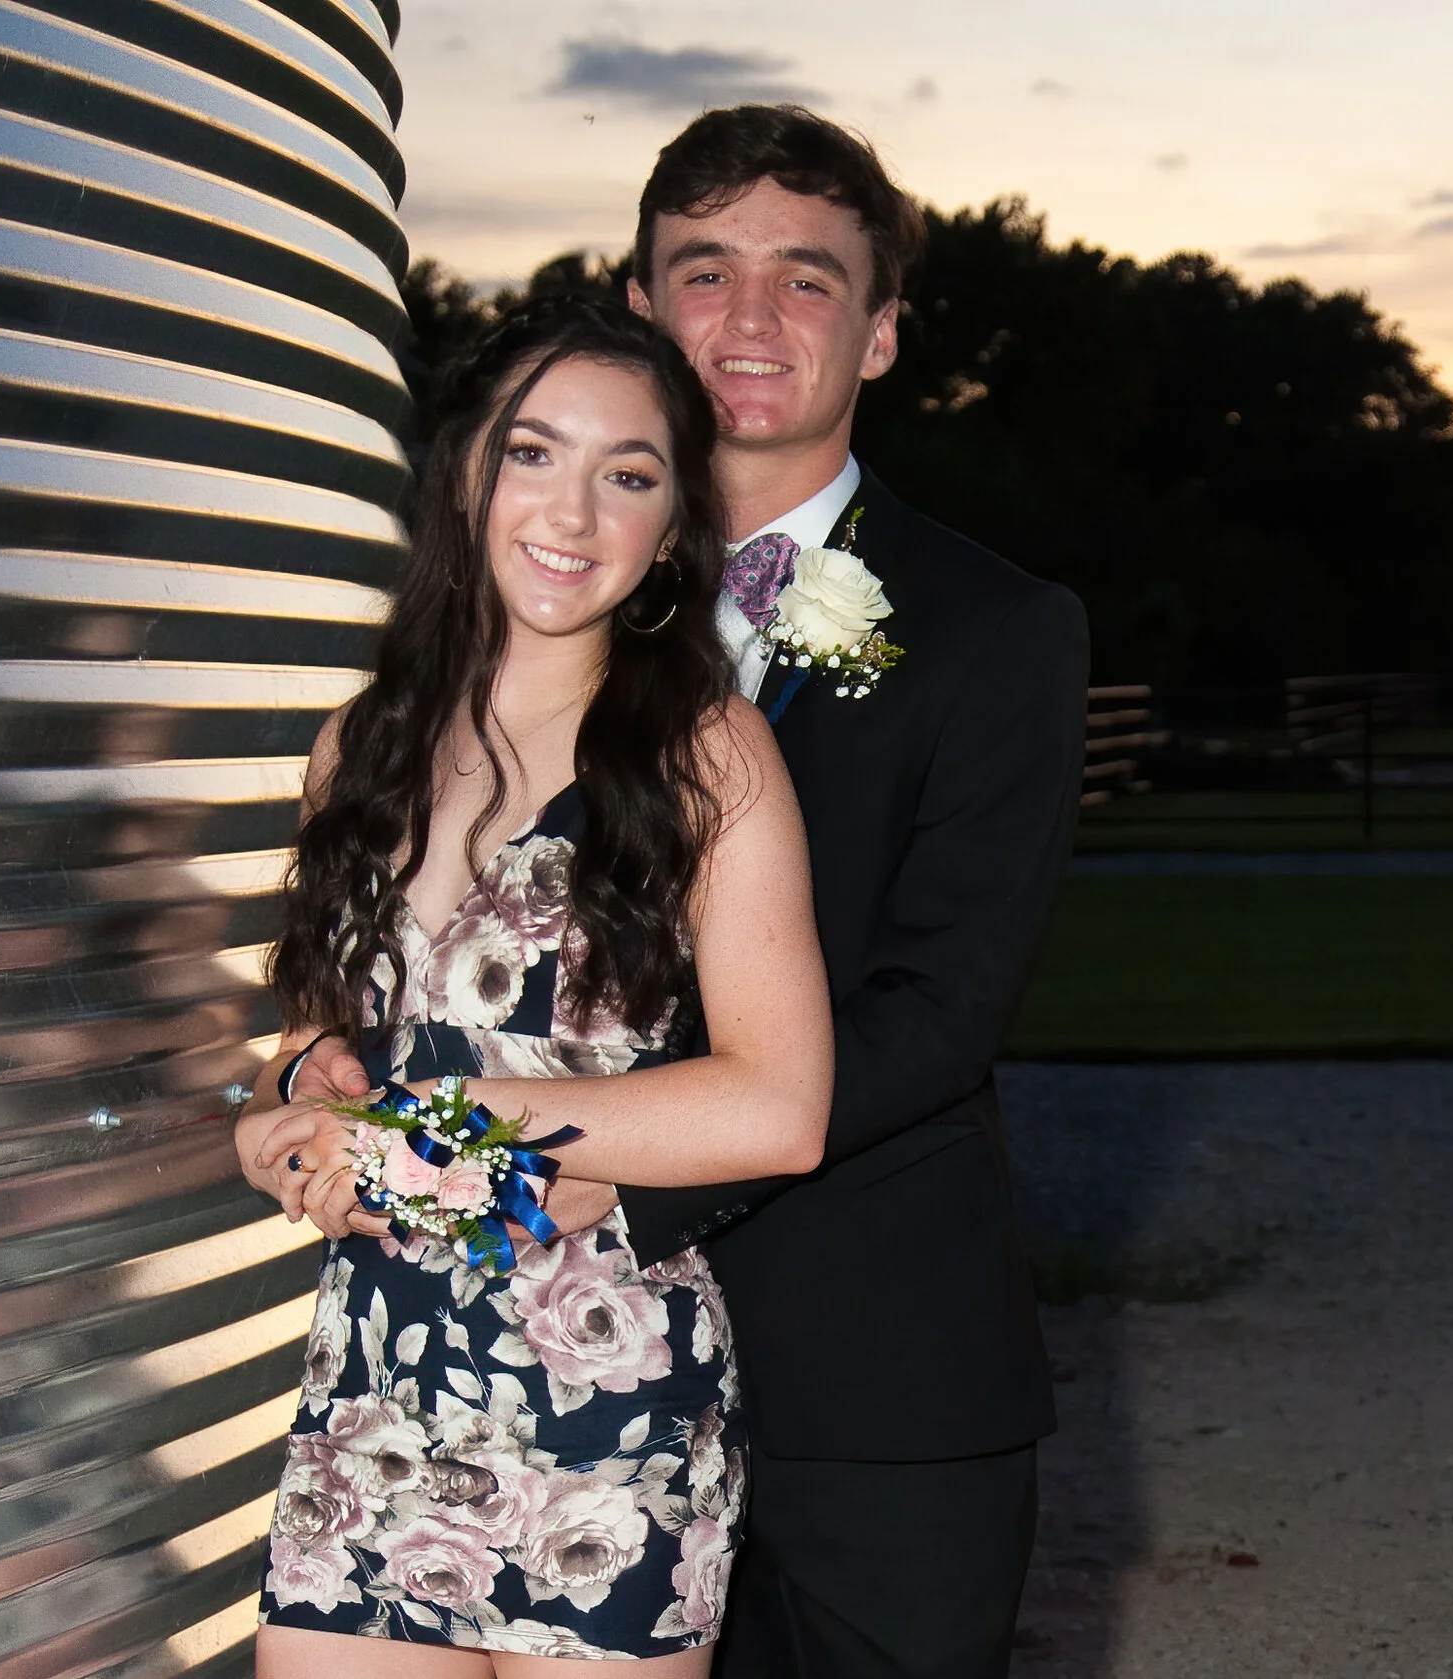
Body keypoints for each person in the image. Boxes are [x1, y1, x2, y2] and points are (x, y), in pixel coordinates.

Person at [291, 105, 1091, 1677]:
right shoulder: (503, 620)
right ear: (644, 309)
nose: (751, 316)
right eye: (706, 271)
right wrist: (313, 1086)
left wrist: (614, 1167)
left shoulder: (1000, 628)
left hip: (865, 1362)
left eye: (808, 278)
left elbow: (942, 1004)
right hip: (493, 1361)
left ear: (881, 333)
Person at [236, 294, 832, 1672]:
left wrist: (444, 1124)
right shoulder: (358, 745)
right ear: (464, 470)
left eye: (629, 474)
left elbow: (780, 1104)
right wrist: (283, 1114)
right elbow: (315, 1042)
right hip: (377, 1379)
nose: (574, 512)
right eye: (532, 452)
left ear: (673, 524)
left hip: (601, 1390)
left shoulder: (707, 755)